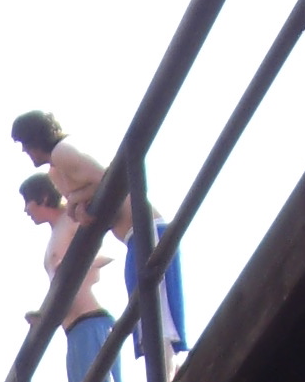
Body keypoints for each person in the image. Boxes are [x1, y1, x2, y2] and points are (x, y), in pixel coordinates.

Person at [10, 107, 186, 365]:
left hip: (147, 231)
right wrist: (77, 205)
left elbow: (109, 181)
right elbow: (86, 195)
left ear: (35, 139)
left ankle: (169, 380)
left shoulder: (63, 153)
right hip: (131, 238)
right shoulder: (55, 172)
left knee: (156, 314)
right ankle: (165, 380)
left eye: (25, 144)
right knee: (145, 315)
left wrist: (76, 204)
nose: (25, 152)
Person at [21, 171, 133, 382]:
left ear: (43, 198)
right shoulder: (56, 232)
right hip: (73, 331)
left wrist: (75, 265)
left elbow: (101, 256)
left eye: (28, 202)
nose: (26, 211)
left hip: (89, 324)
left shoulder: (71, 222)